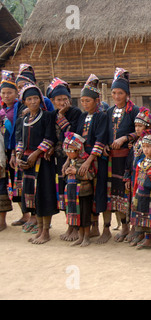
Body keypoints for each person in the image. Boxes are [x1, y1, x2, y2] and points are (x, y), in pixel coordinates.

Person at [98, 68, 140, 244]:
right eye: (114, 93)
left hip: (126, 160)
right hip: (111, 159)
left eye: (120, 93)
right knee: (114, 194)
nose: (116, 96)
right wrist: (106, 145)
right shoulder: (108, 112)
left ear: (127, 94)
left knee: (126, 193)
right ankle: (121, 226)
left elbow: (141, 131)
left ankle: (130, 227)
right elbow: (105, 132)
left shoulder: (134, 111)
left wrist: (126, 137)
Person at [16, 83, 58, 244]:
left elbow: (49, 138)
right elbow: (20, 140)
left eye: (35, 98)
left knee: (43, 195)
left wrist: (36, 154)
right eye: (29, 99)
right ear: (24, 102)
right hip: (28, 164)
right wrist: (20, 155)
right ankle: (39, 229)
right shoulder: (24, 119)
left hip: (42, 163)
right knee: (32, 196)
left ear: (40, 100)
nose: (33, 102)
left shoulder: (47, 117)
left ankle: (45, 231)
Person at [46, 78, 82, 241]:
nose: (62, 102)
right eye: (59, 100)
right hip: (58, 160)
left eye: (65, 99)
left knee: (74, 193)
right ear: (52, 101)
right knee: (64, 194)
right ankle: (69, 226)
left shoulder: (76, 113)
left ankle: (76, 228)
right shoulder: (51, 115)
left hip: (73, 159)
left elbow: (71, 135)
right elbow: (51, 136)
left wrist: (61, 117)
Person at [75, 74, 109, 240]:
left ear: (97, 101)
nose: (84, 104)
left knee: (99, 192)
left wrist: (89, 161)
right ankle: (92, 227)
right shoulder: (81, 117)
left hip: (96, 160)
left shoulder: (101, 116)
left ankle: (104, 228)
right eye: (82, 101)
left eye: (88, 101)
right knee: (86, 194)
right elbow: (77, 139)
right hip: (83, 159)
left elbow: (101, 139)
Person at [124, 108, 151, 246]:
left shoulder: (149, 141)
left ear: (147, 126)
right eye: (136, 126)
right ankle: (138, 231)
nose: (137, 129)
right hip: (135, 177)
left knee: (145, 206)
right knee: (135, 203)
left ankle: (146, 234)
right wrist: (127, 176)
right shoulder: (137, 142)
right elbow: (130, 159)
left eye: (140, 126)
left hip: (148, 179)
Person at [62, 132, 96, 247]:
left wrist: (76, 172)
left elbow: (91, 175)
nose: (68, 154)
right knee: (77, 216)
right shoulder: (71, 161)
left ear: (78, 149)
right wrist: (67, 173)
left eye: (70, 151)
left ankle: (86, 237)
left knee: (85, 216)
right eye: (66, 151)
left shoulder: (85, 160)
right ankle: (80, 237)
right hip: (72, 193)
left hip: (83, 193)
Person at [130, 132, 151, 250]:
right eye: (144, 147)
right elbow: (136, 182)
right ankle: (145, 237)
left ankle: (150, 239)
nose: (146, 149)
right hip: (140, 193)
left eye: (148, 147)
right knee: (141, 216)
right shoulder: (140, 163)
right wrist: (134, 196)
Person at [0, 70, 17, 231]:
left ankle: (27, 215)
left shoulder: (19, 109)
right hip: (2, 151)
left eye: (9, 92)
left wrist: (13, 152)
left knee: (19, 182)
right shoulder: (2, 111)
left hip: (14, 151)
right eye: (3, 93)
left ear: (16, 93)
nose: (6, 96)